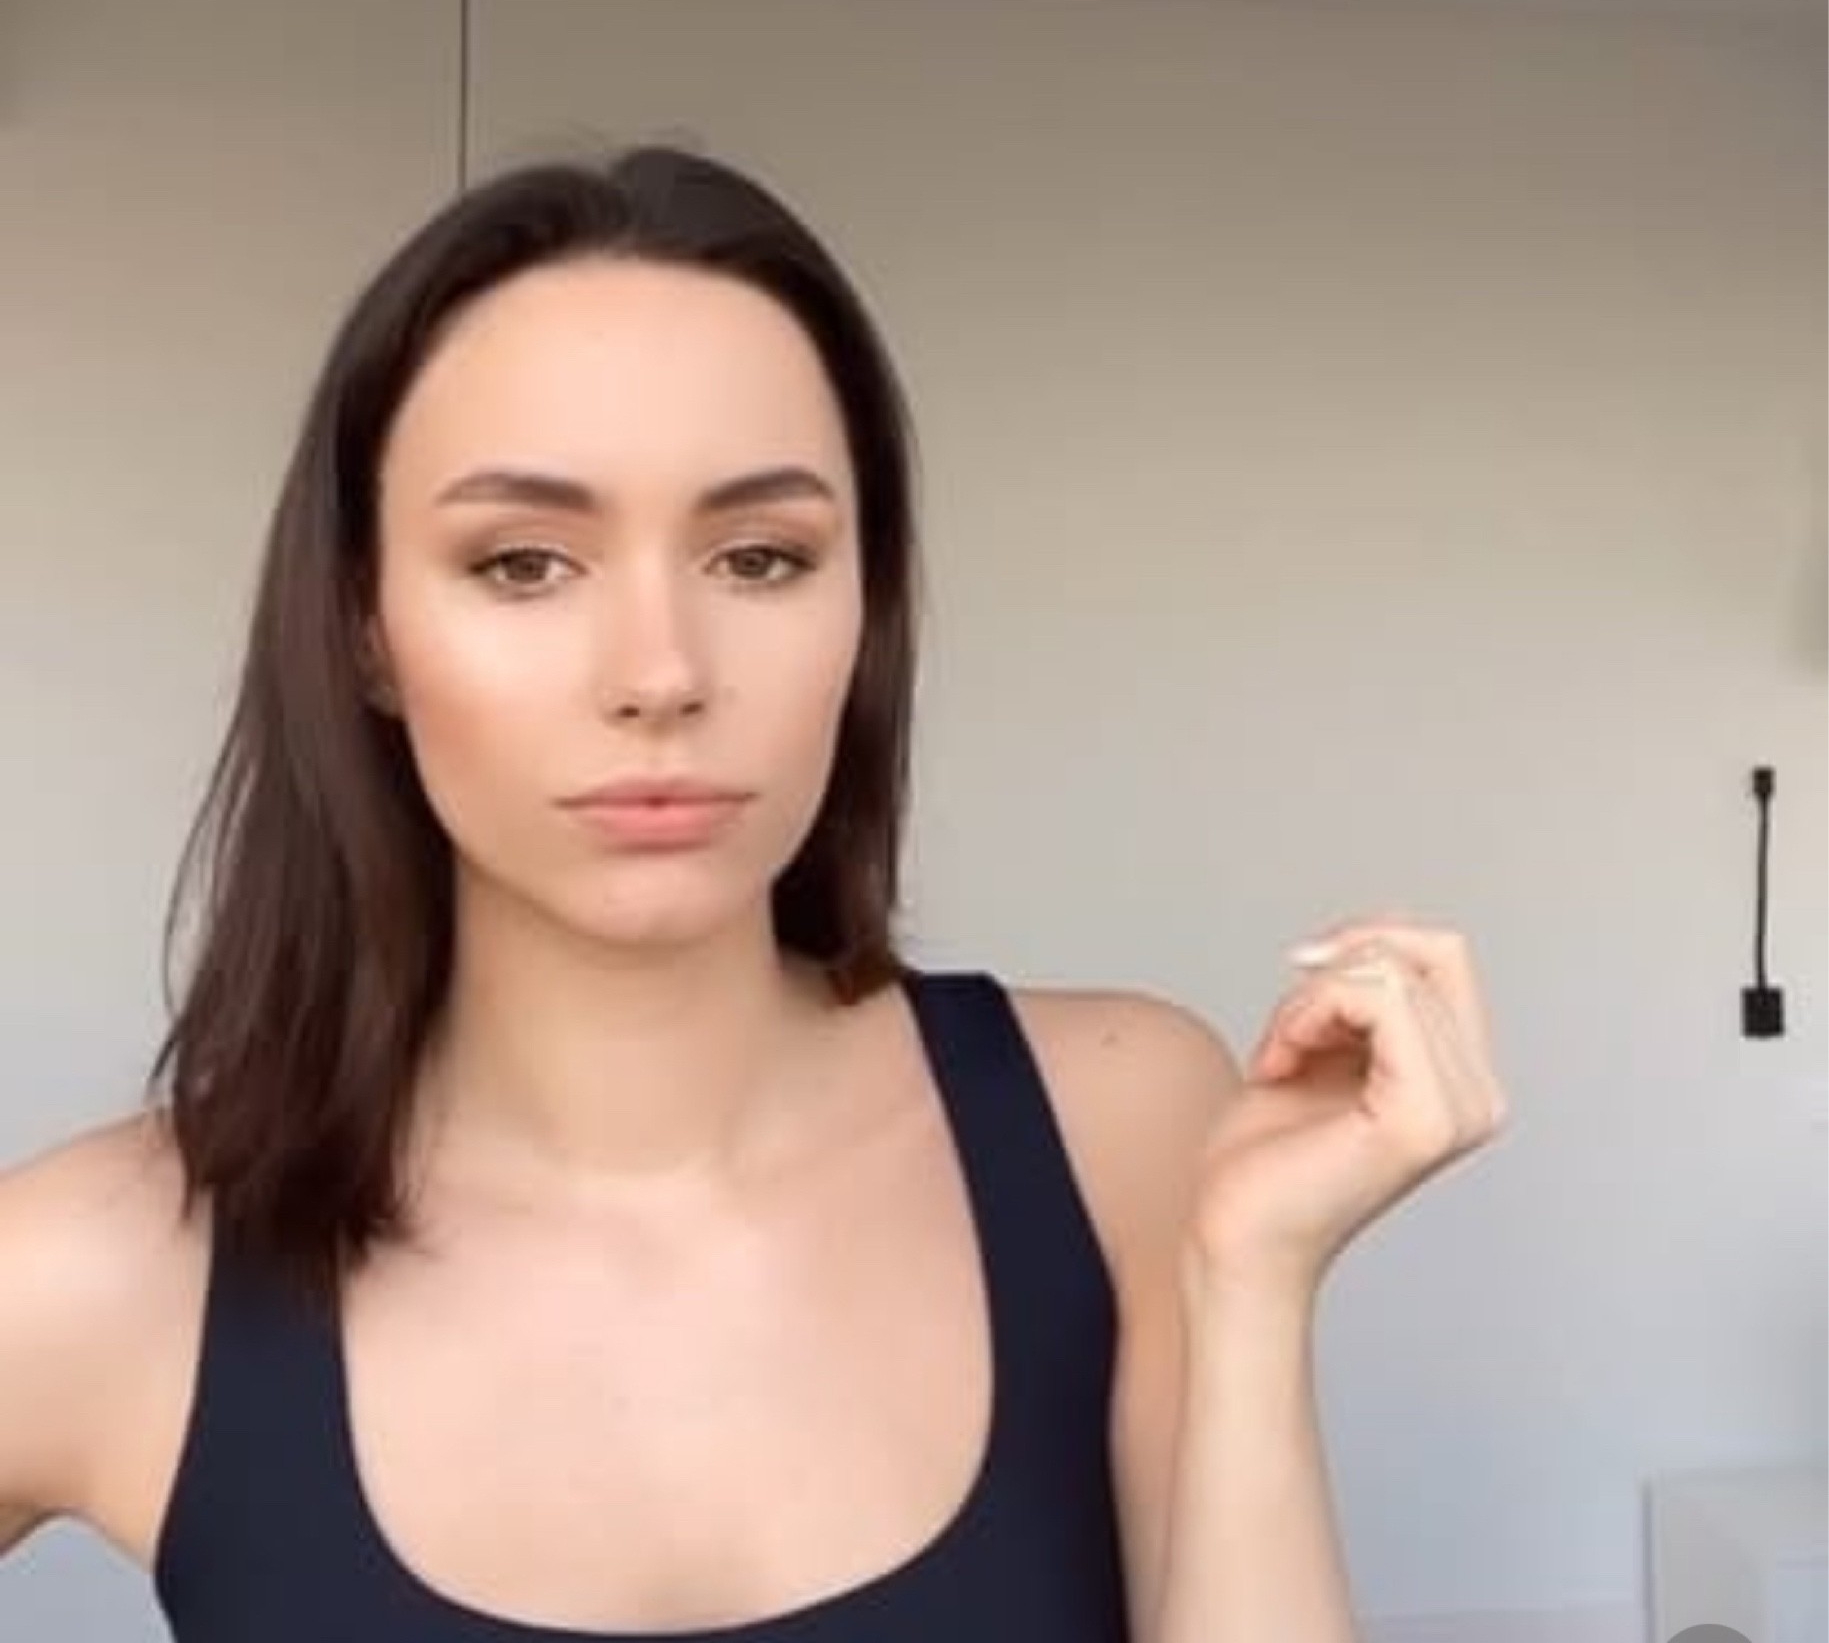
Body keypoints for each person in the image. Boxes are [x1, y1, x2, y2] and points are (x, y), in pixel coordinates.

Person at [0, 144, 1508, 1642]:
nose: (660, 673)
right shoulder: (98, 1270)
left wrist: (1251, 1289)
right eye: (523, 564)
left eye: (760, 558)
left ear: (866, 607)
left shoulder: (1119, 1125)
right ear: (366, 629)